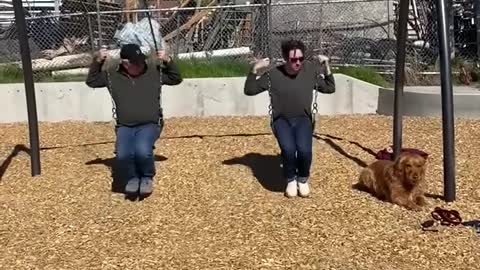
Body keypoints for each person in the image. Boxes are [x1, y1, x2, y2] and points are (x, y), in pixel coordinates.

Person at [85, 43, 182, 196]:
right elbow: (91, 81)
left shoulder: (153, 72)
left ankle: (146, 177)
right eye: (136, 62)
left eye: (141, 60)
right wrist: (98, 61)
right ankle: (132, 177)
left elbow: (176, 78)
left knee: (142, 150)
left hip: (150, 124)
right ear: (125, 63)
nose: (141, 64)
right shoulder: (112, 76)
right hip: (125, 125)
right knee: (123, 154)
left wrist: (167, 60)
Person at [243, 39, 335, 198]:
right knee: (289, 150)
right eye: (294, 60)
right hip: (281, 120)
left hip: (303, 119)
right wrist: (255, 69)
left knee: (305, 151)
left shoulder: (310, 71)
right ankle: (291, 179)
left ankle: (303, 179)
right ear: (286, 58)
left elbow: (329, 88)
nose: (298, 62)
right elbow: (249, 90)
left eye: (300, 59)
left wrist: (326, 66)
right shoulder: (273, 75)